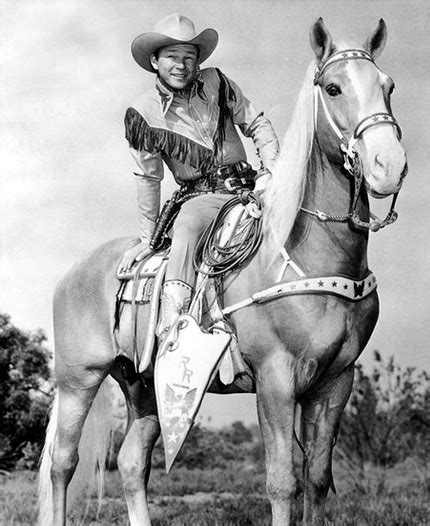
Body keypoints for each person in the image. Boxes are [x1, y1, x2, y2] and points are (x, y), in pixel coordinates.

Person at [119, 13, 279, 338]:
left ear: (198, 61)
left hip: (249, 186)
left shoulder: (217, 82)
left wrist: (273, 172)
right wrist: (147, 238)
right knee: (188, 223)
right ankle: (174, 320)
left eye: (188, 57)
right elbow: (148, 178)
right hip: (201, 198)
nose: (181, 65)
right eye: (172, 57)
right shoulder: (143, 113)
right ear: (154, 60)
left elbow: (257, 124)